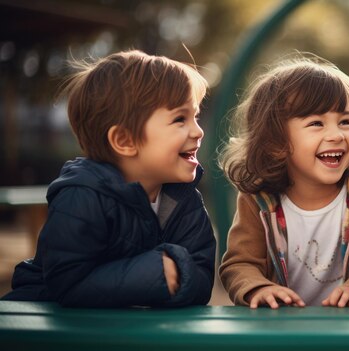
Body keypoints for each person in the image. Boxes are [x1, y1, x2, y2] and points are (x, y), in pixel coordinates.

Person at [2, 50, 216, 308]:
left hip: (129, 327)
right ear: (124, 141)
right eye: (180, 119)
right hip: (44, 321)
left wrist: (173, 276)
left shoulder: (184, 200)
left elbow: (202, 277)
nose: (198, 131)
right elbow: (67, 283)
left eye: (196, 117)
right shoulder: (83, 194)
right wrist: (155, 273)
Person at [218, 55, 349, 309]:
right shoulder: (259, 202)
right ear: (277, 143)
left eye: (344, 121)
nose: (336, 134)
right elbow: (240, 264)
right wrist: (258, 288)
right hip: (279, 330)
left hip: (347, 330)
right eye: (316, 123)